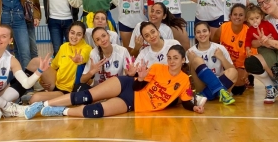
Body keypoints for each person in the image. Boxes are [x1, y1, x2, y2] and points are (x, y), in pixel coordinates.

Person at [24, 45, 205, 119]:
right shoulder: (158, 68)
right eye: (169, 57)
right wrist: (141, 78)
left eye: (176, 58)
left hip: (132, 103)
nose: (172, 61)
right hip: (127, 84)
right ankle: (41, 104)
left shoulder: (184, 81)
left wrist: (195, 108)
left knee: (96, 111)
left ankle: (60, 111)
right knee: (86, 96)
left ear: (183, 61)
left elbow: (187, 101)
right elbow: (136, 86)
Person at [29, 22, 92, 103]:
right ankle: (21, 89)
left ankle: (47, 97)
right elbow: (53, 66)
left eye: (79, 34)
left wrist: (79, 59)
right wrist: (41, 79)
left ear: (83, 36)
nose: (74, 37)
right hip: (55, 82)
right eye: (72, 33)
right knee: (36, 61)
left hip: (66, 91)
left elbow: (83, 57)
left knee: (34, 99)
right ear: (68, 32)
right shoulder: (64, 46)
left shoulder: (86, 48)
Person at [187, 22, 238, 104]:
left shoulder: (219, 48)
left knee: (233, 72)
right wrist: (191, 62)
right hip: (201, 84)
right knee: (197, 60)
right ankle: (220, 92)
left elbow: (231, 69)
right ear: (195, 35)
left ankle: (205, 95)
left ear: (210, 32)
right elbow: (187, 76)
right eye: (198, 32)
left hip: (220, 81)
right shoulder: (190, 52)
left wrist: (222, 57)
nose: (202, 34)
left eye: (204, 31)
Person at [212, 4, 250, 95]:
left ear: (245, 18)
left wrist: (247, 72)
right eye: (235, 14)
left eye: (241, 15)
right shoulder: (223, 28)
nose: (237, 17)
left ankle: (248, 79)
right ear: (230, 16)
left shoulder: (248, 32)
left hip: (240, 66)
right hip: (224, 63)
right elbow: (213, 43)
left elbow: (252, 57)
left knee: (238, 90)